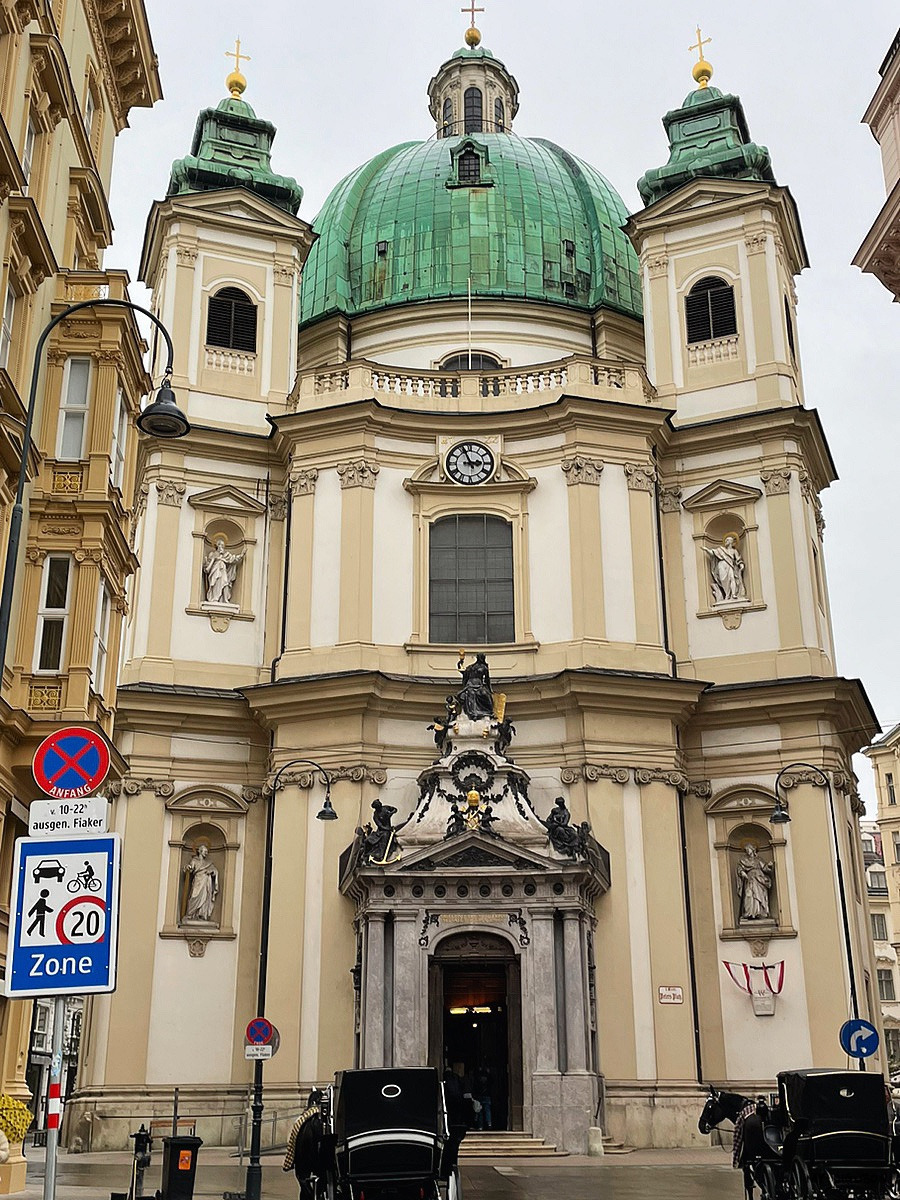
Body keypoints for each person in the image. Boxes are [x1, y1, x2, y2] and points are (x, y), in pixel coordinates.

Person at [283, 1089, 325, 1200]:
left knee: (303, 1180)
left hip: (303, 1164)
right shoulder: (321, 1119)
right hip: (319, 1164)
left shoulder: (301, 1120)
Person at [441, 1069, 469, 1178]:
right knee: (454, 1146)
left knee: (449, 1146)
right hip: (458, 1121)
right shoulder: (457, 1082)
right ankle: (452, 1166)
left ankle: (446, 1169)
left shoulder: (446, 1083)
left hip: (450, 1119)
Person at [703, 534, 746, 603]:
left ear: (731, 542)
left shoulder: (734, 551)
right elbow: (713, 553)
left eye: (727, 540)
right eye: (725, 540)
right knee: (723, 580)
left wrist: (741, 564)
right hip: (722, 565)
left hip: (730, 566)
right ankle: (727, 594)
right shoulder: (721, 550)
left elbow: (738, 559)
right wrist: (706, 550)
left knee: (732, 578)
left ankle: (733, 594)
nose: (725, 541)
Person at [182, 843, 219, 923]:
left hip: (206, 882)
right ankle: (190, 914)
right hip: (198, 881)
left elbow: (215, 870)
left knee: (205, 897)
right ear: (200, 851)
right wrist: (187, 867)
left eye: (207, 852)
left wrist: (211, 871)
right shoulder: (194, 861)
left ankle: (201, 915)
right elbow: (190, 869)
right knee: (194, 896)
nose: (206, 853)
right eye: (205, 851)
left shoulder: (208, 863)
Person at [736, 843, 773, 920]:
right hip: (749, 879)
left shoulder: (758, 859)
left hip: (759, 878)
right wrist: (742, 872)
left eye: (748, 849)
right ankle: (749, 912)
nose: (747, 851)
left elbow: (765, 868)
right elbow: (740, 867)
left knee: (759, 894)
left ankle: (759, 912)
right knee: (748, 895)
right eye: (746, 850)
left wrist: (769, 866)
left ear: (753, 850)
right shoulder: (744, 860)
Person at [203, 537, 245, 605]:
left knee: (225, 583)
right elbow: (208, 565)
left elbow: (233, 559)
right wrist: (214, 558)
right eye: (220, 545)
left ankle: (225, 600)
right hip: (215, 571)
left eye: (223, 545)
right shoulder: (212, 554)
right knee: (216, 583)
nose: (222, 547)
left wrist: (241, 555)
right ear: (217, 545)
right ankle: (215, 598)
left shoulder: (225, 555)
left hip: (223, 571)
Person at [456, 653, 495, 721]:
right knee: (471, 695)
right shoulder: (471, 667)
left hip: (479, 685)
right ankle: (473, 714)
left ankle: (489, 712)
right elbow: (464, 674)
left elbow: (487, 679)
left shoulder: (484, 667)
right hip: (470, 685)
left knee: (485, 694)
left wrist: (490, 689)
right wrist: (460, 663)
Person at [473, 1066, 492, 1131]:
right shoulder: (488, 1080)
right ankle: (489, 1124)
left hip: (479, 1096)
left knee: (480, 1112)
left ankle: (480, 1126)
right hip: (487, 1096)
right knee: (487, 1110)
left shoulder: (478, 1080)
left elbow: (475, 1087)